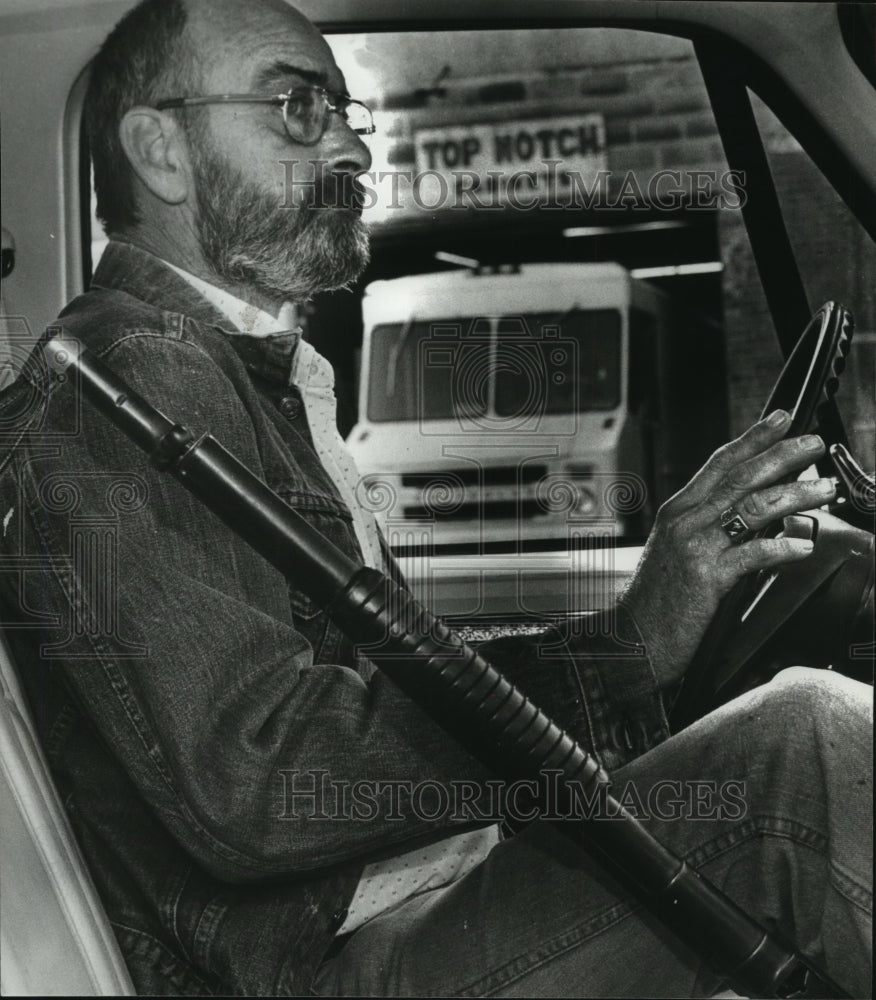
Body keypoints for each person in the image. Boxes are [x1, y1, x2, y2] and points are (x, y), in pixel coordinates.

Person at [0, 0, 871, 995]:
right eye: (296, 107)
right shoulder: (133, 380)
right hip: (324, 964)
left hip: (417, 889)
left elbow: (369, 689)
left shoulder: (238, 374)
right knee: (799, 751)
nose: (350, 148)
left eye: (344, 110)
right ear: (161, 152)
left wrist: (640, 641)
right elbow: (260, 780)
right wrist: (625, 648)